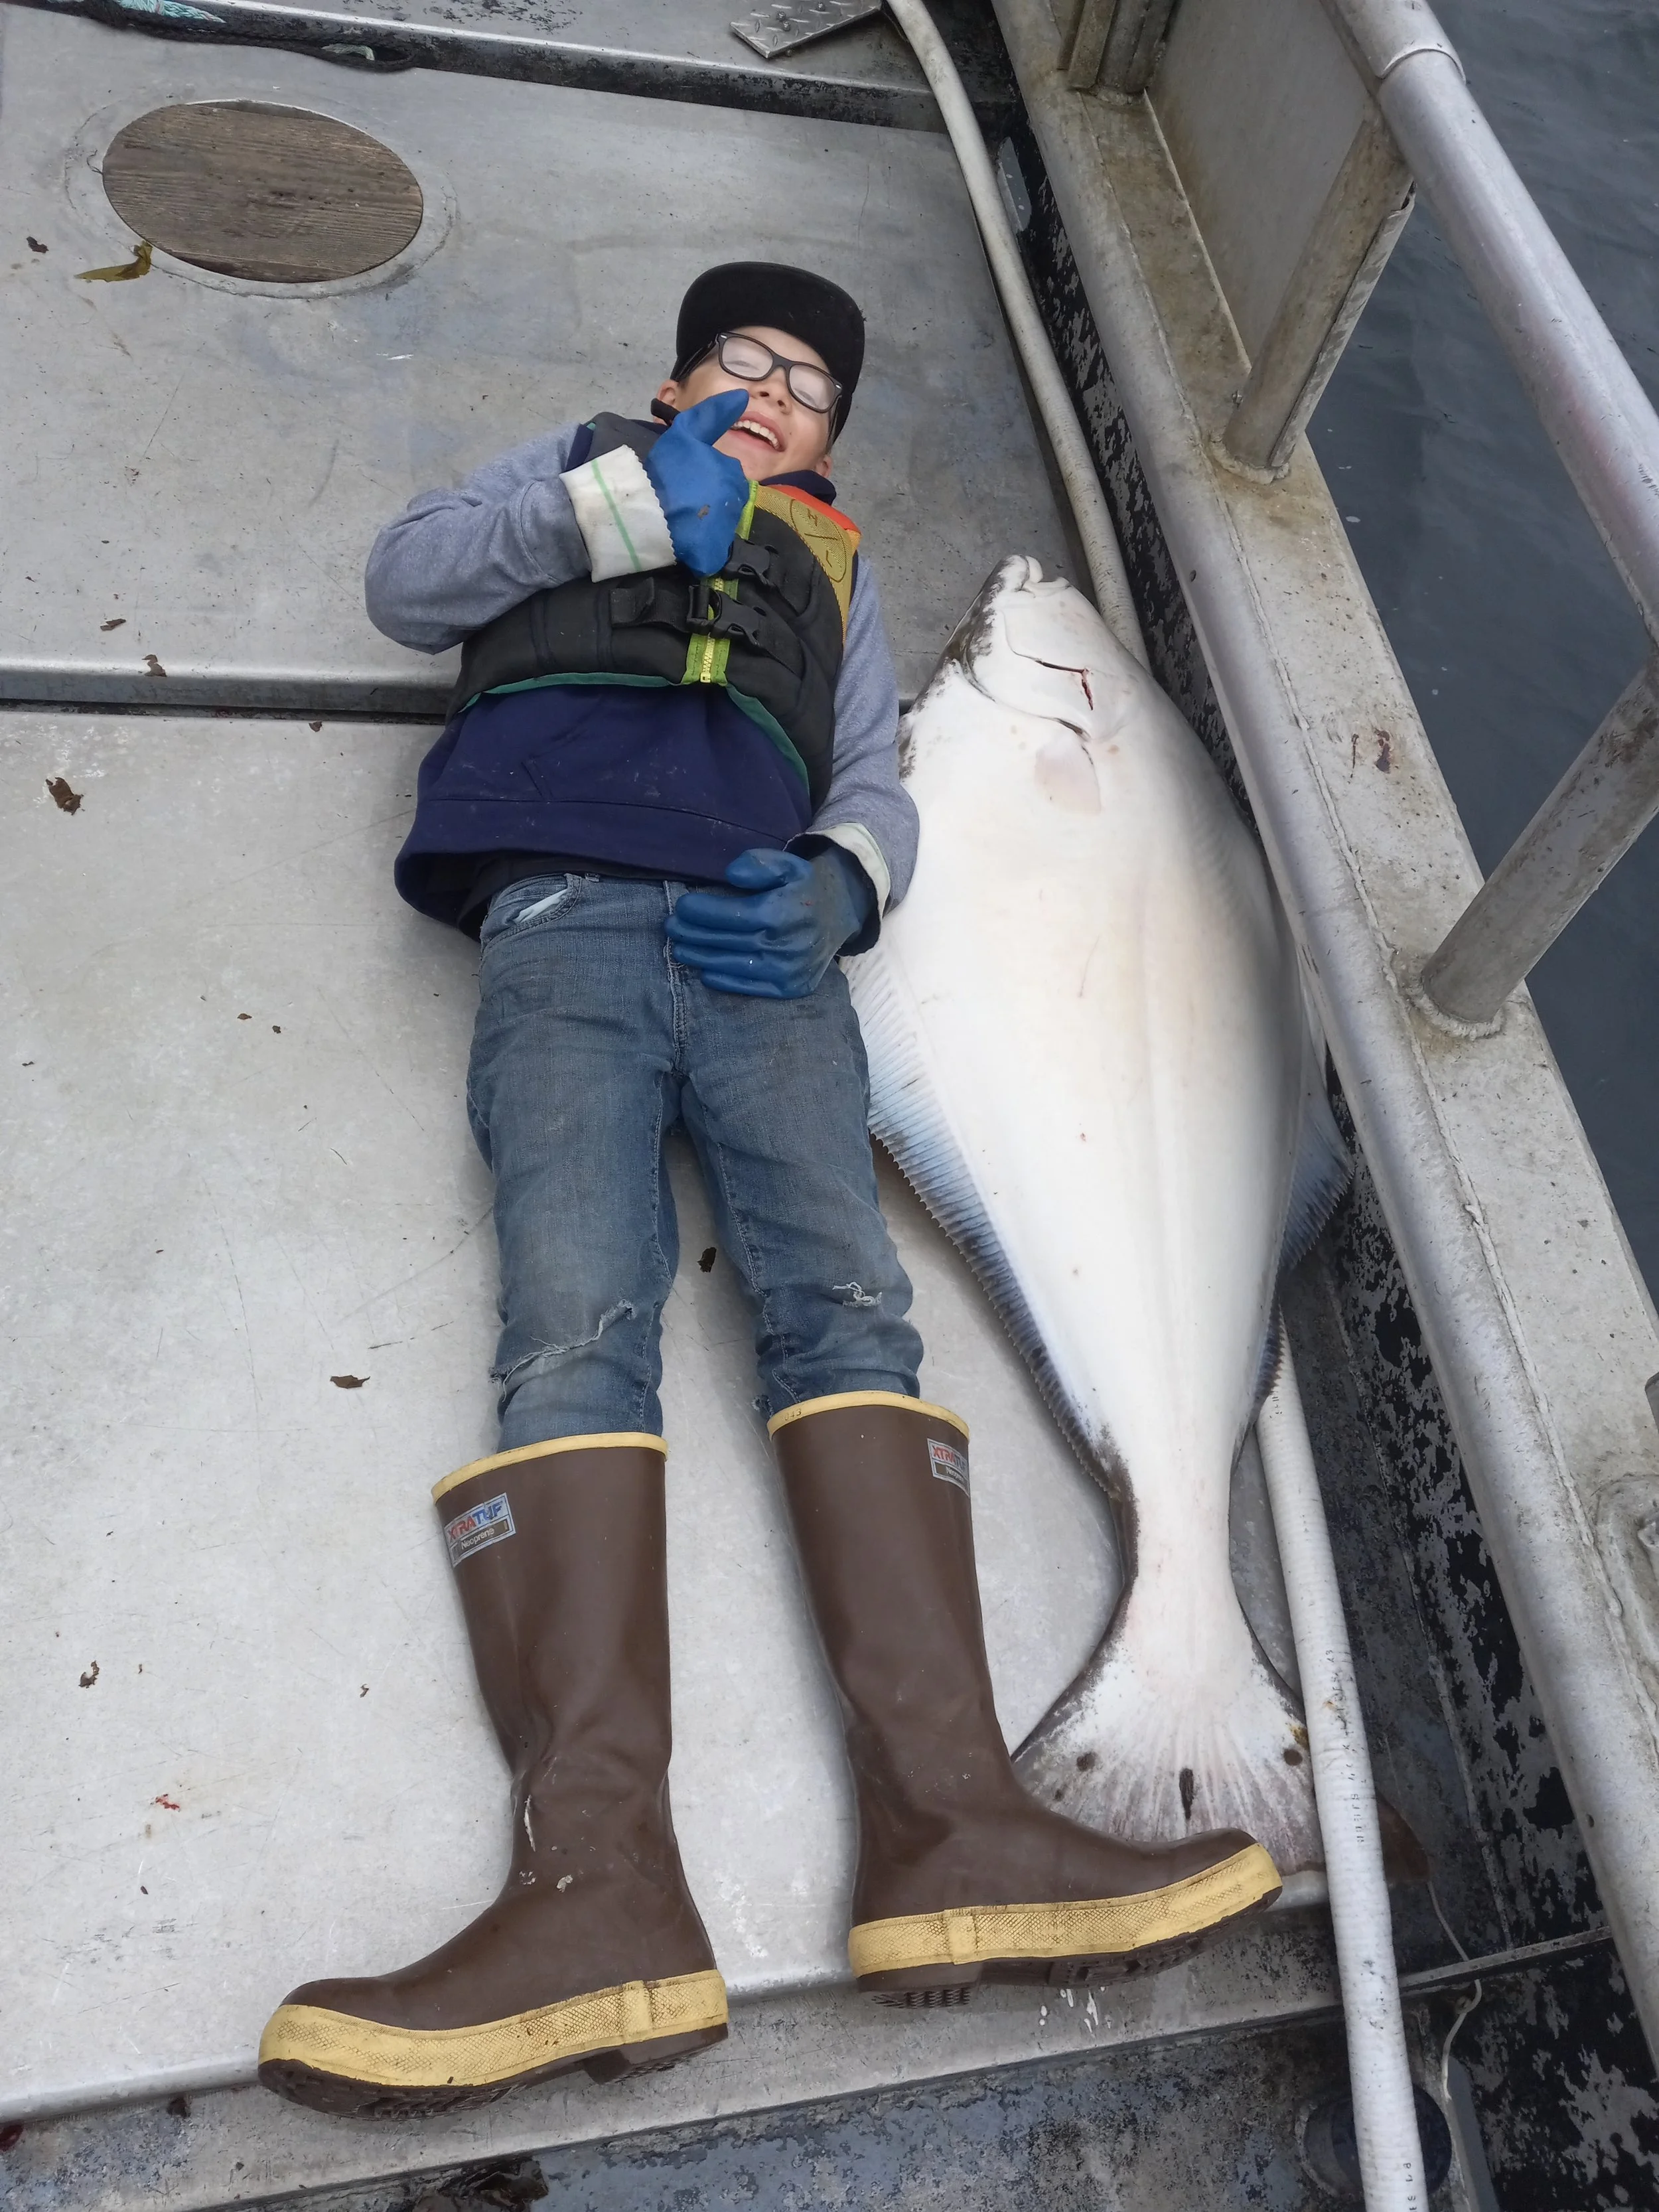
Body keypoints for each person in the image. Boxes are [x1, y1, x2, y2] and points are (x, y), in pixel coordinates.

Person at [255, 263, 1279, 2120]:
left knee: (846, 1299)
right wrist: (621, 504)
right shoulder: (577, 466)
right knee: (573, 1317)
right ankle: (595, 1890)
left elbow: (878, 771)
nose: (780, 394)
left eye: (813, 384)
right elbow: (409, 582)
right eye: (748, 361)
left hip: (765, 966)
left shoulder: (843, 570)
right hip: (558, 925)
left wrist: (840, 888)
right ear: (674, 375)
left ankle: (951, 1828)